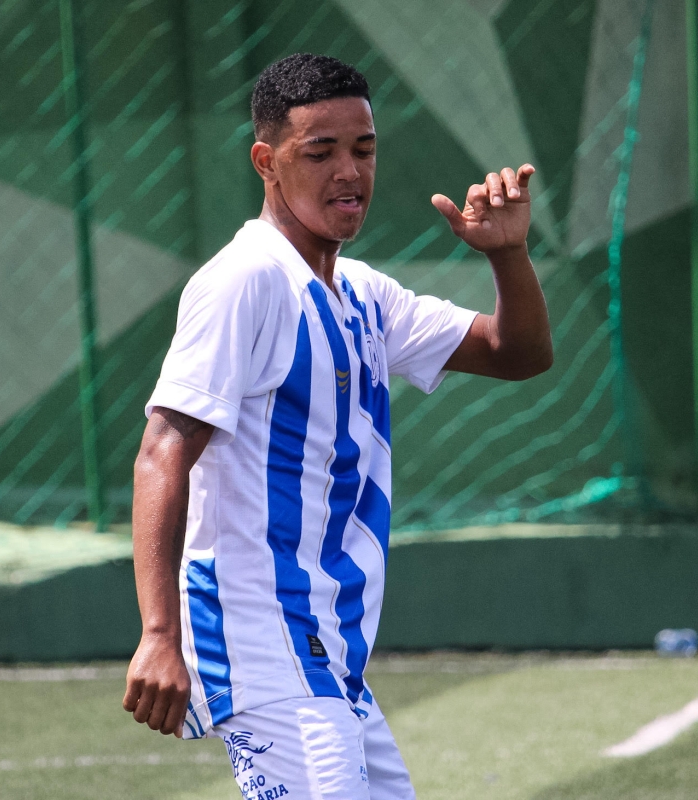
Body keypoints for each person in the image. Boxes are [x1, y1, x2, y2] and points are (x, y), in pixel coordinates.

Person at [123, 53, 552, 799]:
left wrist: (509, 256)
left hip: (326, 654)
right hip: (263, 643)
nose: (348, 171)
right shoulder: (246, 280)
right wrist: (159, 636)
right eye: (319, 152)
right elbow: (162, 451)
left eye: (363, 148)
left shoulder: (361, 294)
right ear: (266, 161)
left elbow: (519, 354)